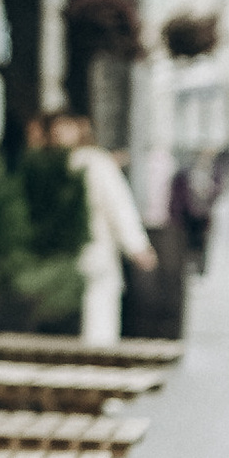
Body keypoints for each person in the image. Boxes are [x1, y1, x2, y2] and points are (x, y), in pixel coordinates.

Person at [50, 110, 154, 346]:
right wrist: (136, 245)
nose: (59, 135)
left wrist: (136, 245)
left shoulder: (93, 162)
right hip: (79, 256)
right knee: (95, 322)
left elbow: (117, 206)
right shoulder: (77, 163)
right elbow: (119, 205)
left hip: (92, 253)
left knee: (94, 318)